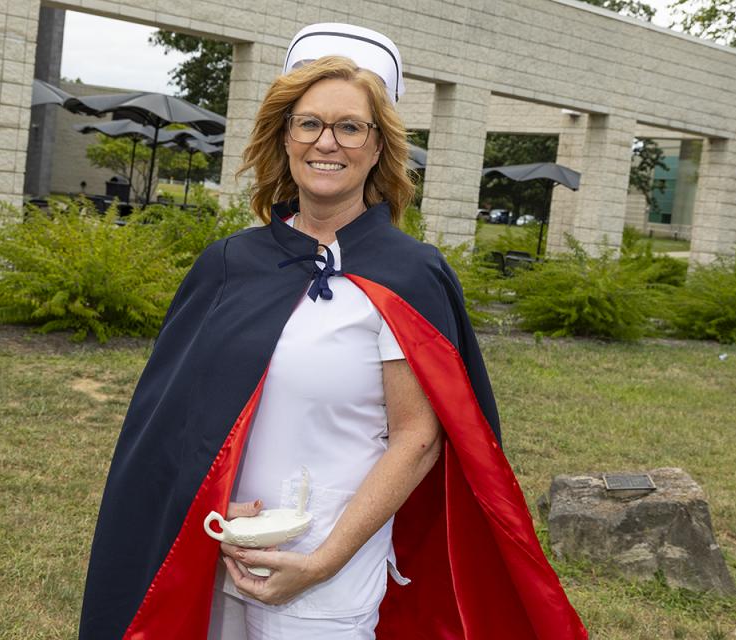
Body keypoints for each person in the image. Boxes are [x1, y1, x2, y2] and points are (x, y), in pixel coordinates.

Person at [79, 24, 587, 640]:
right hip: (218, 549)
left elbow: (419, 439)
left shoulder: (410, 275)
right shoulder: (229, 265)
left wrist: (323, 561)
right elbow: (177, 420)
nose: (329, 142)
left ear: (378, 148)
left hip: (327, 576)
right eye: (309, 123)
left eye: (351, 126)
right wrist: (207, 507)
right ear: (284, 136)